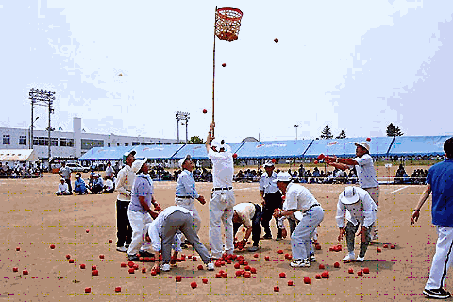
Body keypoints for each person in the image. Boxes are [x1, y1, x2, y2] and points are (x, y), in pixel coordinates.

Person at [411, 137, 453, 299]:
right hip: (450, 218)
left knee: (447, 250)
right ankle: (433, 286)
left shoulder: (435, 168)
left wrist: (416, 208)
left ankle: (434, 285)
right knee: (444, 252)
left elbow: (427, 190)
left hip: (439, 215)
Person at [326, 142, 379, 240]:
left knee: (370, 210)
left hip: (371, 188)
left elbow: (351, 162)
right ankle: (368, 232)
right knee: (362, 210)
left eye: (358, 148)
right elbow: (345, 167)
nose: (356, 149)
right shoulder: (358, 160)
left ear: (364, 150)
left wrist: (336, 159)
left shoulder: (366, 158)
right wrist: (333, 163)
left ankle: (372, 234)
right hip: (364, 188)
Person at [273, 172, 324, 268]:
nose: (277, 186)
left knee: (297, 236)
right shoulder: (294, 188)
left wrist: (279, 213)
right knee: (305, 235)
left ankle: (301, 260)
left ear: (282, 183)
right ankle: (309, 256)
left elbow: (291, 210)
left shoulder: (292, 191)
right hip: (315, 211)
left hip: (312, 212)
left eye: (278, 183)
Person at [145, 206, 215, 272]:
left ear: (147, 234)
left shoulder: (151, 228)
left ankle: (165, 264)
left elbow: (156, 245)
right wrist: (175, 255)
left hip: (172, 216)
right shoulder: (160, 225)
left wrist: (156, 263)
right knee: (194, 241)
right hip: (187, 215)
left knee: (166, 241)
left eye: (147, 239)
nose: (149, 241)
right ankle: (209, 263)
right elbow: (176, 238)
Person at [206, 122, 235, 260]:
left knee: (215, 224)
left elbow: (207, 147)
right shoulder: (229, 156)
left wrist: (209, 134)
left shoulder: (216, 157)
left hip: (219, 194)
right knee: (228, 223)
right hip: (230, 193)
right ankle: (229, 250)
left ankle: (217, 253)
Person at [126, 158, 160, 261]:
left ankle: (143, 249)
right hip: (136, 212)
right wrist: (151, 212)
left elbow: (149, 194)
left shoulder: (146, 179)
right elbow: (141, 200)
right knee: (139, 232)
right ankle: (131, 253)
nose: (147, 165)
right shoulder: (141, 181)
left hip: (143, 211)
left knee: (151, 229)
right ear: (141, 168)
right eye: (145, 164)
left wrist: (154, 203)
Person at [336, 186, 377, 263]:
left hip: (367, 213)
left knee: (365, 235)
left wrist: (364, 228)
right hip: (352, 214)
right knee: (349, 230)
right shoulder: (341, 197)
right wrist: (341, 228)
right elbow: (340, 213)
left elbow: (368, 213)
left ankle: (361, 256)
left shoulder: (364, 195)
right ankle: (350, 253)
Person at [175, 154, 206, 248]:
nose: (190, 161)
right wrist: (198, 197)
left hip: (188, 201)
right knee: (182, 222)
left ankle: (187, 238)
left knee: (197, 221)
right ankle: (178, 241)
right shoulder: (184, 175)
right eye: (187, 160)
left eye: (190, 159)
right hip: (183, 201)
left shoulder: (189, 174)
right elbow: (189, 190)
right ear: (183, 166)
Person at [114, 150, 136, 252]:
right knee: (122, 223)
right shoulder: (123, 172)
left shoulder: (134, 171)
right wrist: (128, 193)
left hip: (131, 201)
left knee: (131, 222)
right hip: (123, 201)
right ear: (127, 160)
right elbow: (118, 187)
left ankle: (129, 242)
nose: (133, 158)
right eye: (131, 156)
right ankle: (120, 243)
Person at [259, 160, 283, 240]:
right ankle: (267, 233)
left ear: (273, 168)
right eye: (266, 167)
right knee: (263, 218)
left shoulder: (277, 176)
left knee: (278, 217)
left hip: (276, 197)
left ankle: (279, 235)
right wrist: (262, 198)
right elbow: (261, 189)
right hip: (267, 198)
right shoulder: (263, 177)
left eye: (269, 167)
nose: (267, 169)